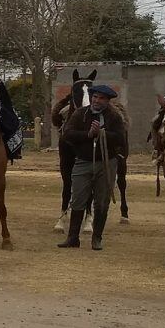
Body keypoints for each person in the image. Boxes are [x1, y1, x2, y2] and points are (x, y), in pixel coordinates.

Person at [58, 84, 127, 251]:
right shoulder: (80, 114)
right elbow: (67, 134)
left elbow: (120, 139)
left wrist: (102, 134)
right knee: (78, 200)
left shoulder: (114, 117)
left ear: (108, 101)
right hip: (82, 162)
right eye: (95, 97)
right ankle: (73, 238)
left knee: (102, 202)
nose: (97, 101)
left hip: (106, 163)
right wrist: (88, 134)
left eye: (101, 98)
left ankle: (97, 238)